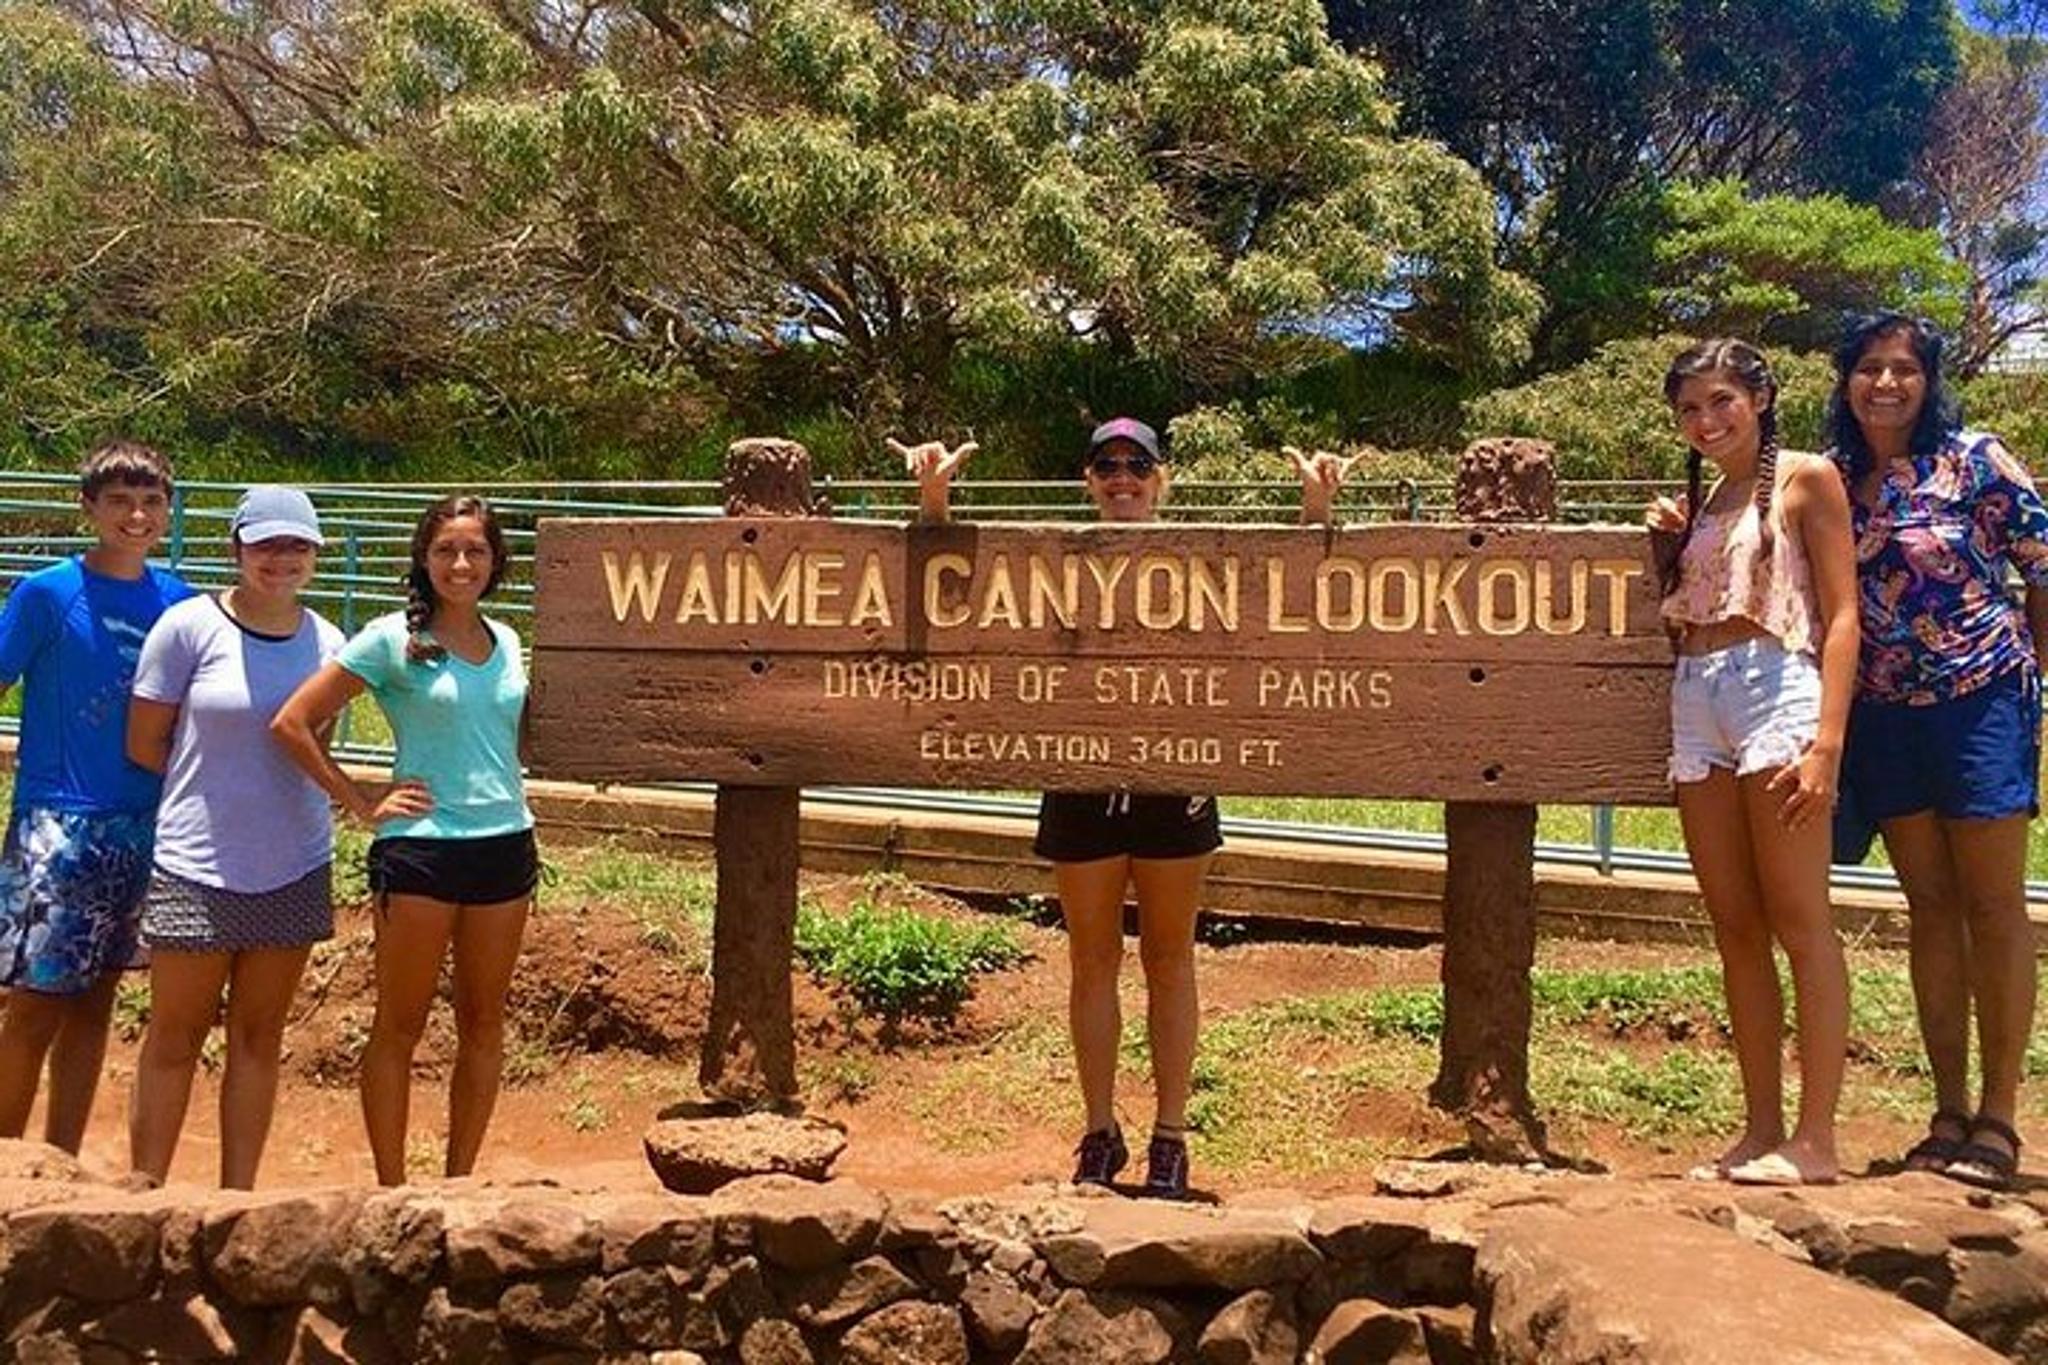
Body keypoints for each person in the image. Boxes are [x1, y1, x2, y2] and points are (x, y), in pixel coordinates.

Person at [900, 420, 1351, 1199]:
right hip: (1079, 779)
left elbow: (1288, 602)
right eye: (1106, 464)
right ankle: (1099, 1131)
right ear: (1087, 480)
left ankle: (1170, 1138)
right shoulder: (1052, 560)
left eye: (1136, 464)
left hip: (1176, 780)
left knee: (1170, 959)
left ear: (1159, 478)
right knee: (1092, 960)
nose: (1121, 477)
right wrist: (935, 505)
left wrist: (1315, 511)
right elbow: (957, 602)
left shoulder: (1201, 562)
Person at [1830, 312, 2047, 1190]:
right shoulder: (1832, 478)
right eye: (1869, 367)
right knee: (1929, 905)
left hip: (1982, 702)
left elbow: (2042, 563)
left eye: (1904, 368)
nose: (1885, 383)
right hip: (1883, 716)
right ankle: (1948, 1109)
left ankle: (1999, 1117)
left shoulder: (1976, 461)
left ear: (1929, 380)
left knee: (1993, 905)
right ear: (1845, 380)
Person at [270, 495, 534, 1186]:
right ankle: (392, 1188)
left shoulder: (509, 641)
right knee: (400, 1023)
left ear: (496, 561)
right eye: (446, 549)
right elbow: (294, 721)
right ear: (424, 558)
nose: (460, 563)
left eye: (475, 550)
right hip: (421, 850)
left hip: (505, 845)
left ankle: (458, 1184)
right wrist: (360, 802)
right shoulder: (390, 638)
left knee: (484, 1022)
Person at [1646, 338, 1859, 1186]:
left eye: (1722, 401)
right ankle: (1759, 1127)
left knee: (1801, 918)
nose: (1707, 421)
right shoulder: (1708, 501)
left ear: (1761, 398)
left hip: (1777, 690)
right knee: (1735, 926)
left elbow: (1842, 616)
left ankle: (1817, 1138)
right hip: (1698, 696)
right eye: (1690, 409)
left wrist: (1827, 744)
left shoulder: (1809, 479)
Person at [125, 487, 344, 1188]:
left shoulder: (329, 644)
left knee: (258, 1036)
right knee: (174, 1035)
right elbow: (145, 742)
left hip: (293, 863)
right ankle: (145, 1196)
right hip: (194, 863)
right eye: (266, 544)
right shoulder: (187, 628)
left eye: (297, 545)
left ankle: (236, 1201)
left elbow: (318, 751)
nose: (281, 559)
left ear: (315, 554)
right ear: (237, 549)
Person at [0, 441, 191, 1153]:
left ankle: (60, 1160)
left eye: (150, 502)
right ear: (89, 508)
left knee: (97, 1001)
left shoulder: (181, 603)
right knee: (34, 1004)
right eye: (119, 501)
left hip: (145, 823)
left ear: (167, 510)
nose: (136, 516)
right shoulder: (48, 593)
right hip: (58, 824)